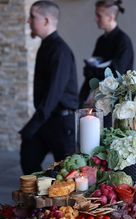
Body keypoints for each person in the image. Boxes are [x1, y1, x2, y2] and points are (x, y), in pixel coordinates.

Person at [20, 0, 79, 174]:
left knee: (67, 175)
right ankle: (38, 195)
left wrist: (32, 124)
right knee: (29, 157)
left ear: (46, 21)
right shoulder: (46, 45)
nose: (28, 21)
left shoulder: (60, 50)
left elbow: (54, 93)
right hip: (47, 119)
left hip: (62, 123)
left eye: (32, 16)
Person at [79, 0, 134, 108]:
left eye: (99, 16)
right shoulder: (101, 40)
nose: (96, 19)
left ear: (110, 17)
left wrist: (95, 71)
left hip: (112, 103)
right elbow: (92, 69)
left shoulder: (123, 41)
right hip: (94, 99)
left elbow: (117, 73)